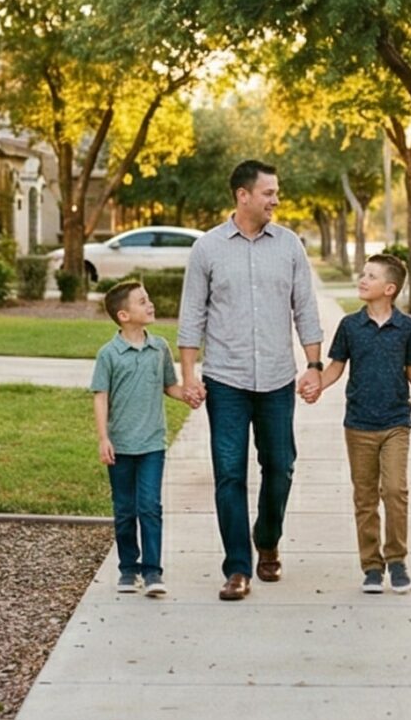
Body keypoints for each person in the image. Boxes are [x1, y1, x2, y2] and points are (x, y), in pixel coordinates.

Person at [177, 159, 323, 602]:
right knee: (229, 475)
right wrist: (189, 375)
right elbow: (192, 316)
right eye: (268, 193)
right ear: (243, 195)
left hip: (278, 379)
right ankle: (237, 567)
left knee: (280, 468)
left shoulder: (290, 246)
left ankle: (268, 537)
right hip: (226, 380)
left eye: (276, 193)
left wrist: (314, 366)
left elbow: (306, 308)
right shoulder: (207, 249)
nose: (275, 200)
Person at [316, 252, 411, 594]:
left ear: (390, 288)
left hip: (396, 422)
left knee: (395, 491)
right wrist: (316, 384)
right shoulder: (350, 325)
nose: (362, 279)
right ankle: (371, 566)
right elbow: (336, 366)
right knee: (365, 497)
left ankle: (396, 560)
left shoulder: (406, 327)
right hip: (359, 424)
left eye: (371, 276)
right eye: (363, 274)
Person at [91, 279, 193, 597]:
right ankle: (127, 569)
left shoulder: (159, 347)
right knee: (124, 509)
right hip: (120, 445)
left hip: (152, 444)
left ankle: (152, 572)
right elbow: (100, 396)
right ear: (124, 315)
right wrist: (103, 438)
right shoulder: (109, 354)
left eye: (148, 299)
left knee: (149, 506)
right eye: (142, 301)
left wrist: (188, 394)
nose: (150, 305)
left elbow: (169, 386)